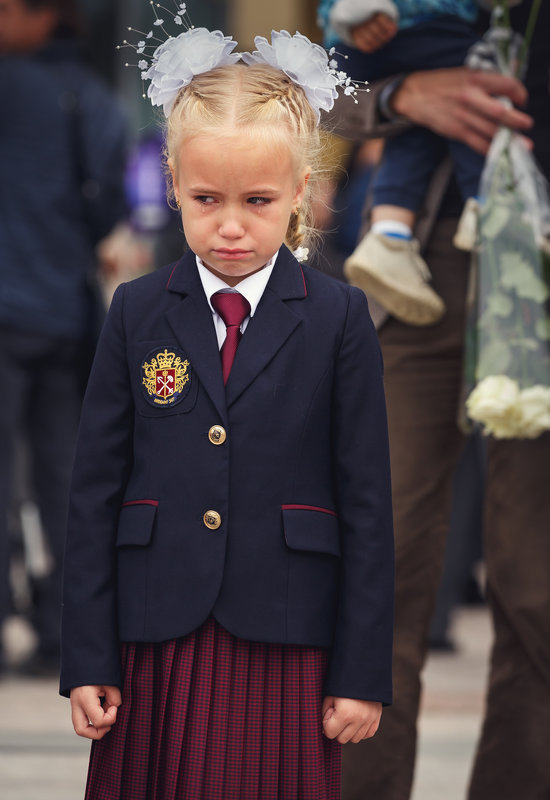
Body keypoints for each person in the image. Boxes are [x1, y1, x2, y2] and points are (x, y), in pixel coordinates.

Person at [60, 25, 394, 800]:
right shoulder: (136, 311)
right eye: (207, 199)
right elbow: (92, 493)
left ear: (302, 193)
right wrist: (88, 659)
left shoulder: (340, 319)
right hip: (155, 638)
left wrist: (360, 673)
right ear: (173, 183)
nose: (232, 224)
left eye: (258, 201)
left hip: (289, 638)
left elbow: (369, 508)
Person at [328, 2, 550, 798]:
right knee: (372, 559)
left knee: (536, 584)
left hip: (539, 270)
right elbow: (308, 81)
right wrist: (402, 97)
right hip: (415, 270)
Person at [0, 0, 127, 675]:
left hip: (9, 309)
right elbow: (109, 204)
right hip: (64, 314)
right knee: (66, 478)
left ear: (36, 13)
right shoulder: (95, 98)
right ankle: (61, 630)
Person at [319, 0, 522, 326]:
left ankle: (390, 235)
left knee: (429, 123)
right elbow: (321, 91)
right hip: (429, 261)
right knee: (472, 81)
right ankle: (488, 211)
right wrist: (400, 97)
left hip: (433, 257)